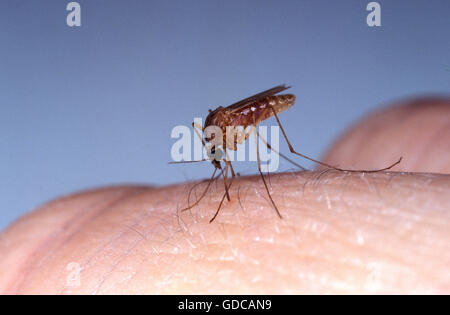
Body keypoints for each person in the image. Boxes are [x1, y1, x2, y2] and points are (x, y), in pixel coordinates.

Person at [0, 98, 449, 294]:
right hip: (236, 115)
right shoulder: (219, 137)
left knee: (278, 148)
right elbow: (221, 141)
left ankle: (302, 161)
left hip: (257, 106)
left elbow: (228, 130)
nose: (217, 156)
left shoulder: (225, 129)